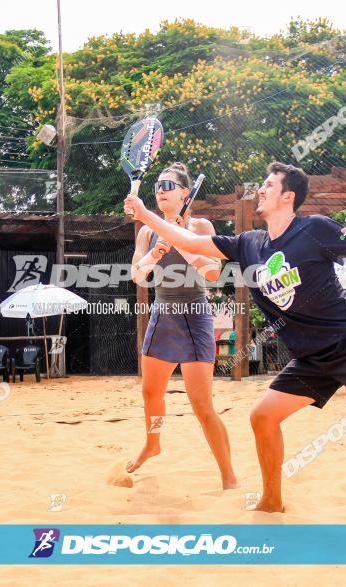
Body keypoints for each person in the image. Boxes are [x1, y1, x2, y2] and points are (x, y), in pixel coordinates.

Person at [125, 161, 346, 524]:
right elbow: (188, 241)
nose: (261, 190)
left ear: (288, 196)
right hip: (310, 357)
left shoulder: (314, 229)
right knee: (263, 417)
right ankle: (271, 501)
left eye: (268, 185)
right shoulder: (250, 244)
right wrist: (143, 214)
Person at [127, 162, 238, 489]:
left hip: (194, 317)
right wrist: (154, 255)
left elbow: (214, 273)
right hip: (162, 314)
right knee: (150, 393)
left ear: (185, 193)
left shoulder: (201, 226)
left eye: (168, 186)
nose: (161, 191)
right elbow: (137, 275)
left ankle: (228, 475)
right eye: (158, 186)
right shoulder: (148, 231)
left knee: (202, 405)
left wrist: (183, 244)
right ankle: (153, 443)